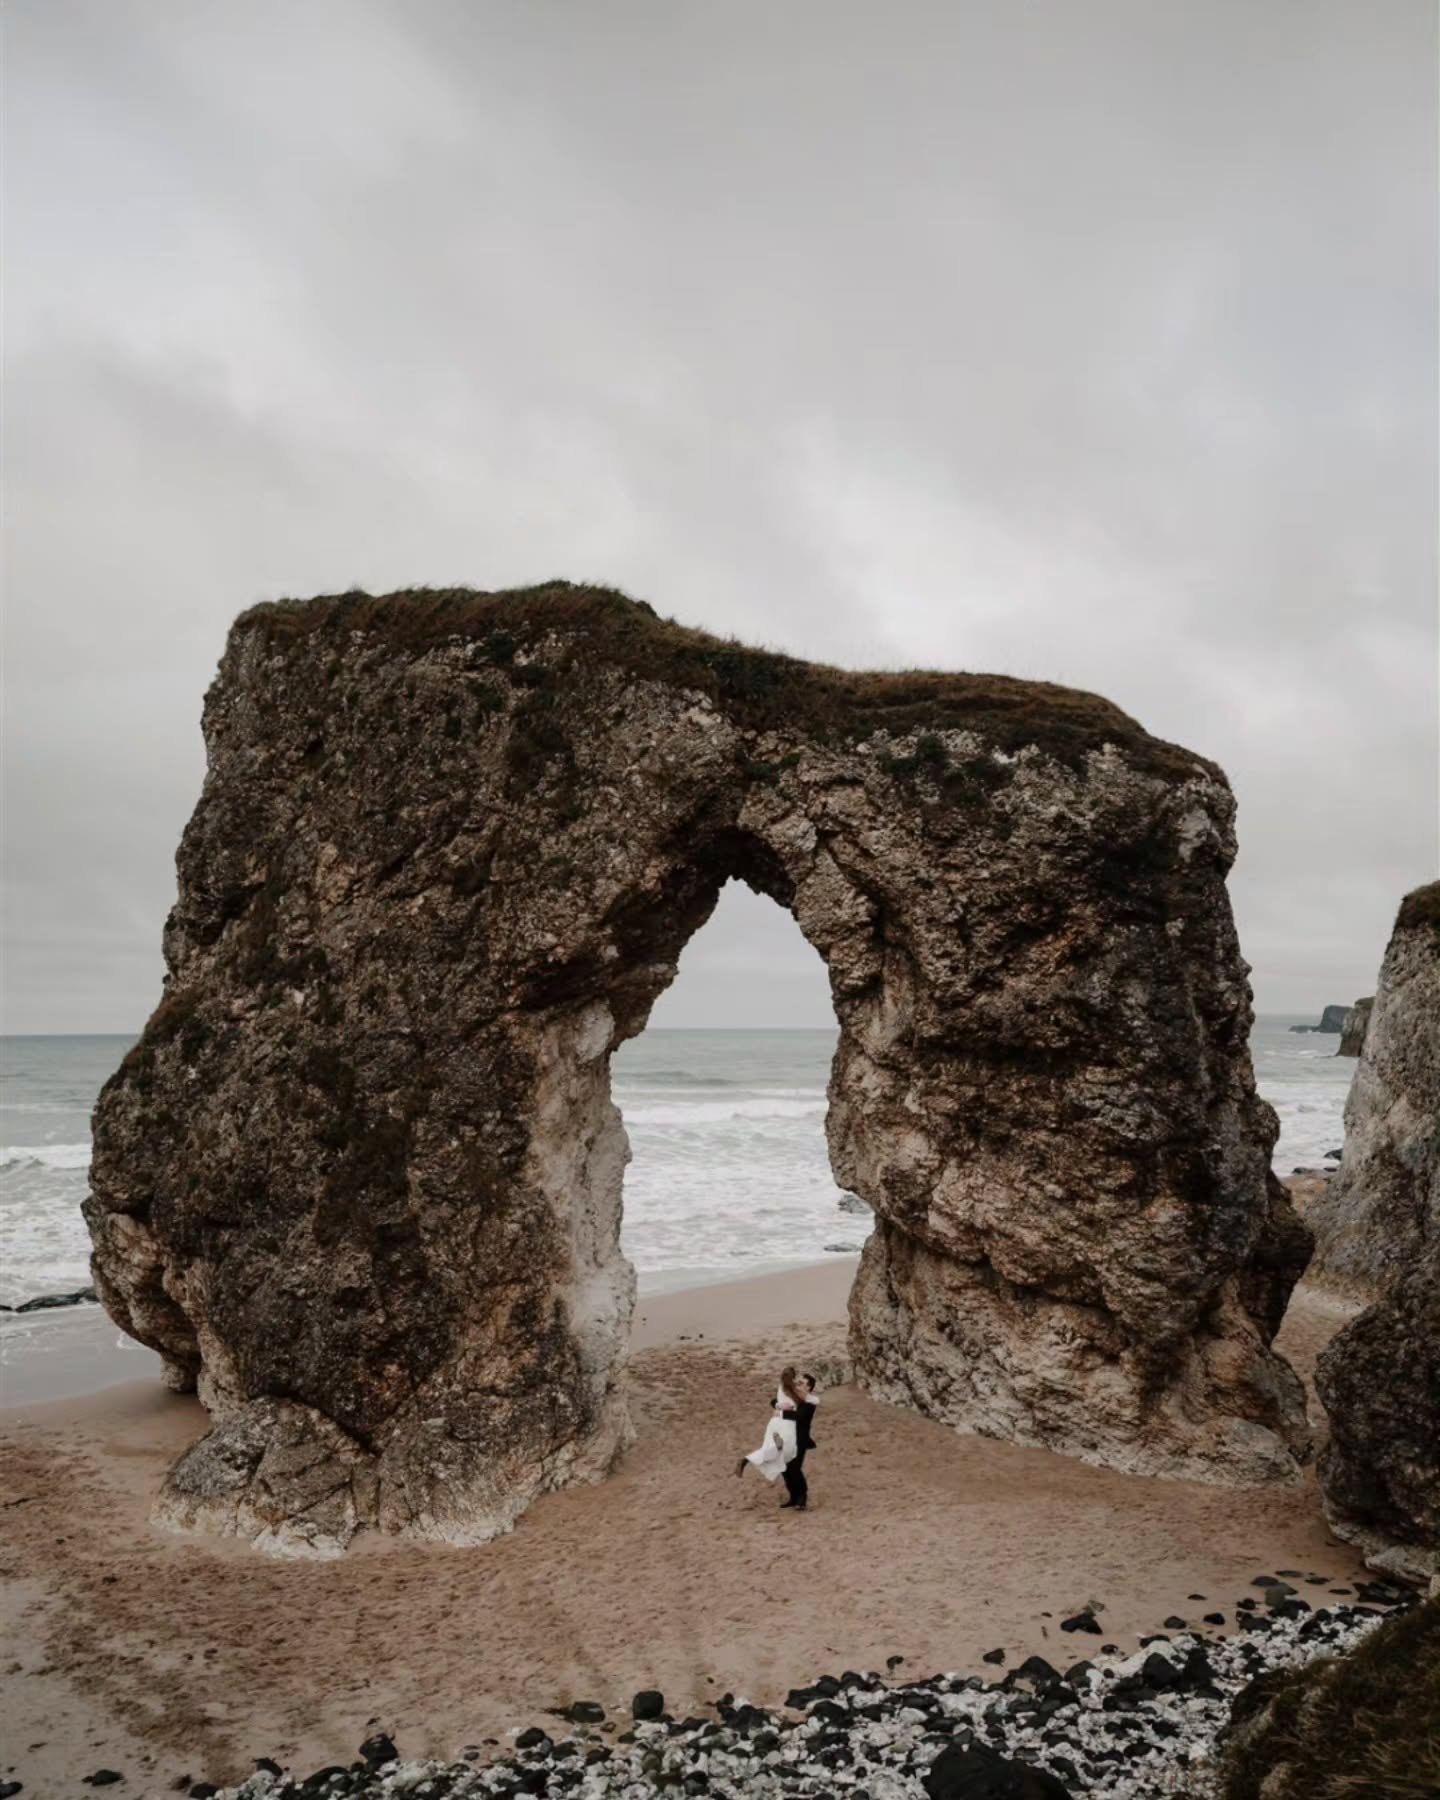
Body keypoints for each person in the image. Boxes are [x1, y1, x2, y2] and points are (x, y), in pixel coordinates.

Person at [735, 1365, 801, 1484]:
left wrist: (778, 1406)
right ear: (793, 1378)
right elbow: (794, 1406)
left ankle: (747, 1460)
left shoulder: (781, 1387)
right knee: (787, 1451)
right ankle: (748, 1460)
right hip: (787, 1423)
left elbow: (776, 1402)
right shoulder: (793, 1390)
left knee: (772, 1449)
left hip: (775, 1422)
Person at [781, 1373, 817, 1511]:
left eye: (802, 1383)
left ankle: (802, 1498)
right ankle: (793, 1497)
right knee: (785, 1469)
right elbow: (773, 1401)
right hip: (787, 1438)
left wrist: (782, 1412)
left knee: (795, 1468)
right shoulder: (792, 1398)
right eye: (799, 1382)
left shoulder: (810, 1403)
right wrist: (781, 1404)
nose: (798, 1385)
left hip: (800, 1440)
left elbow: (799, 1416)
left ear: (809, 1387)